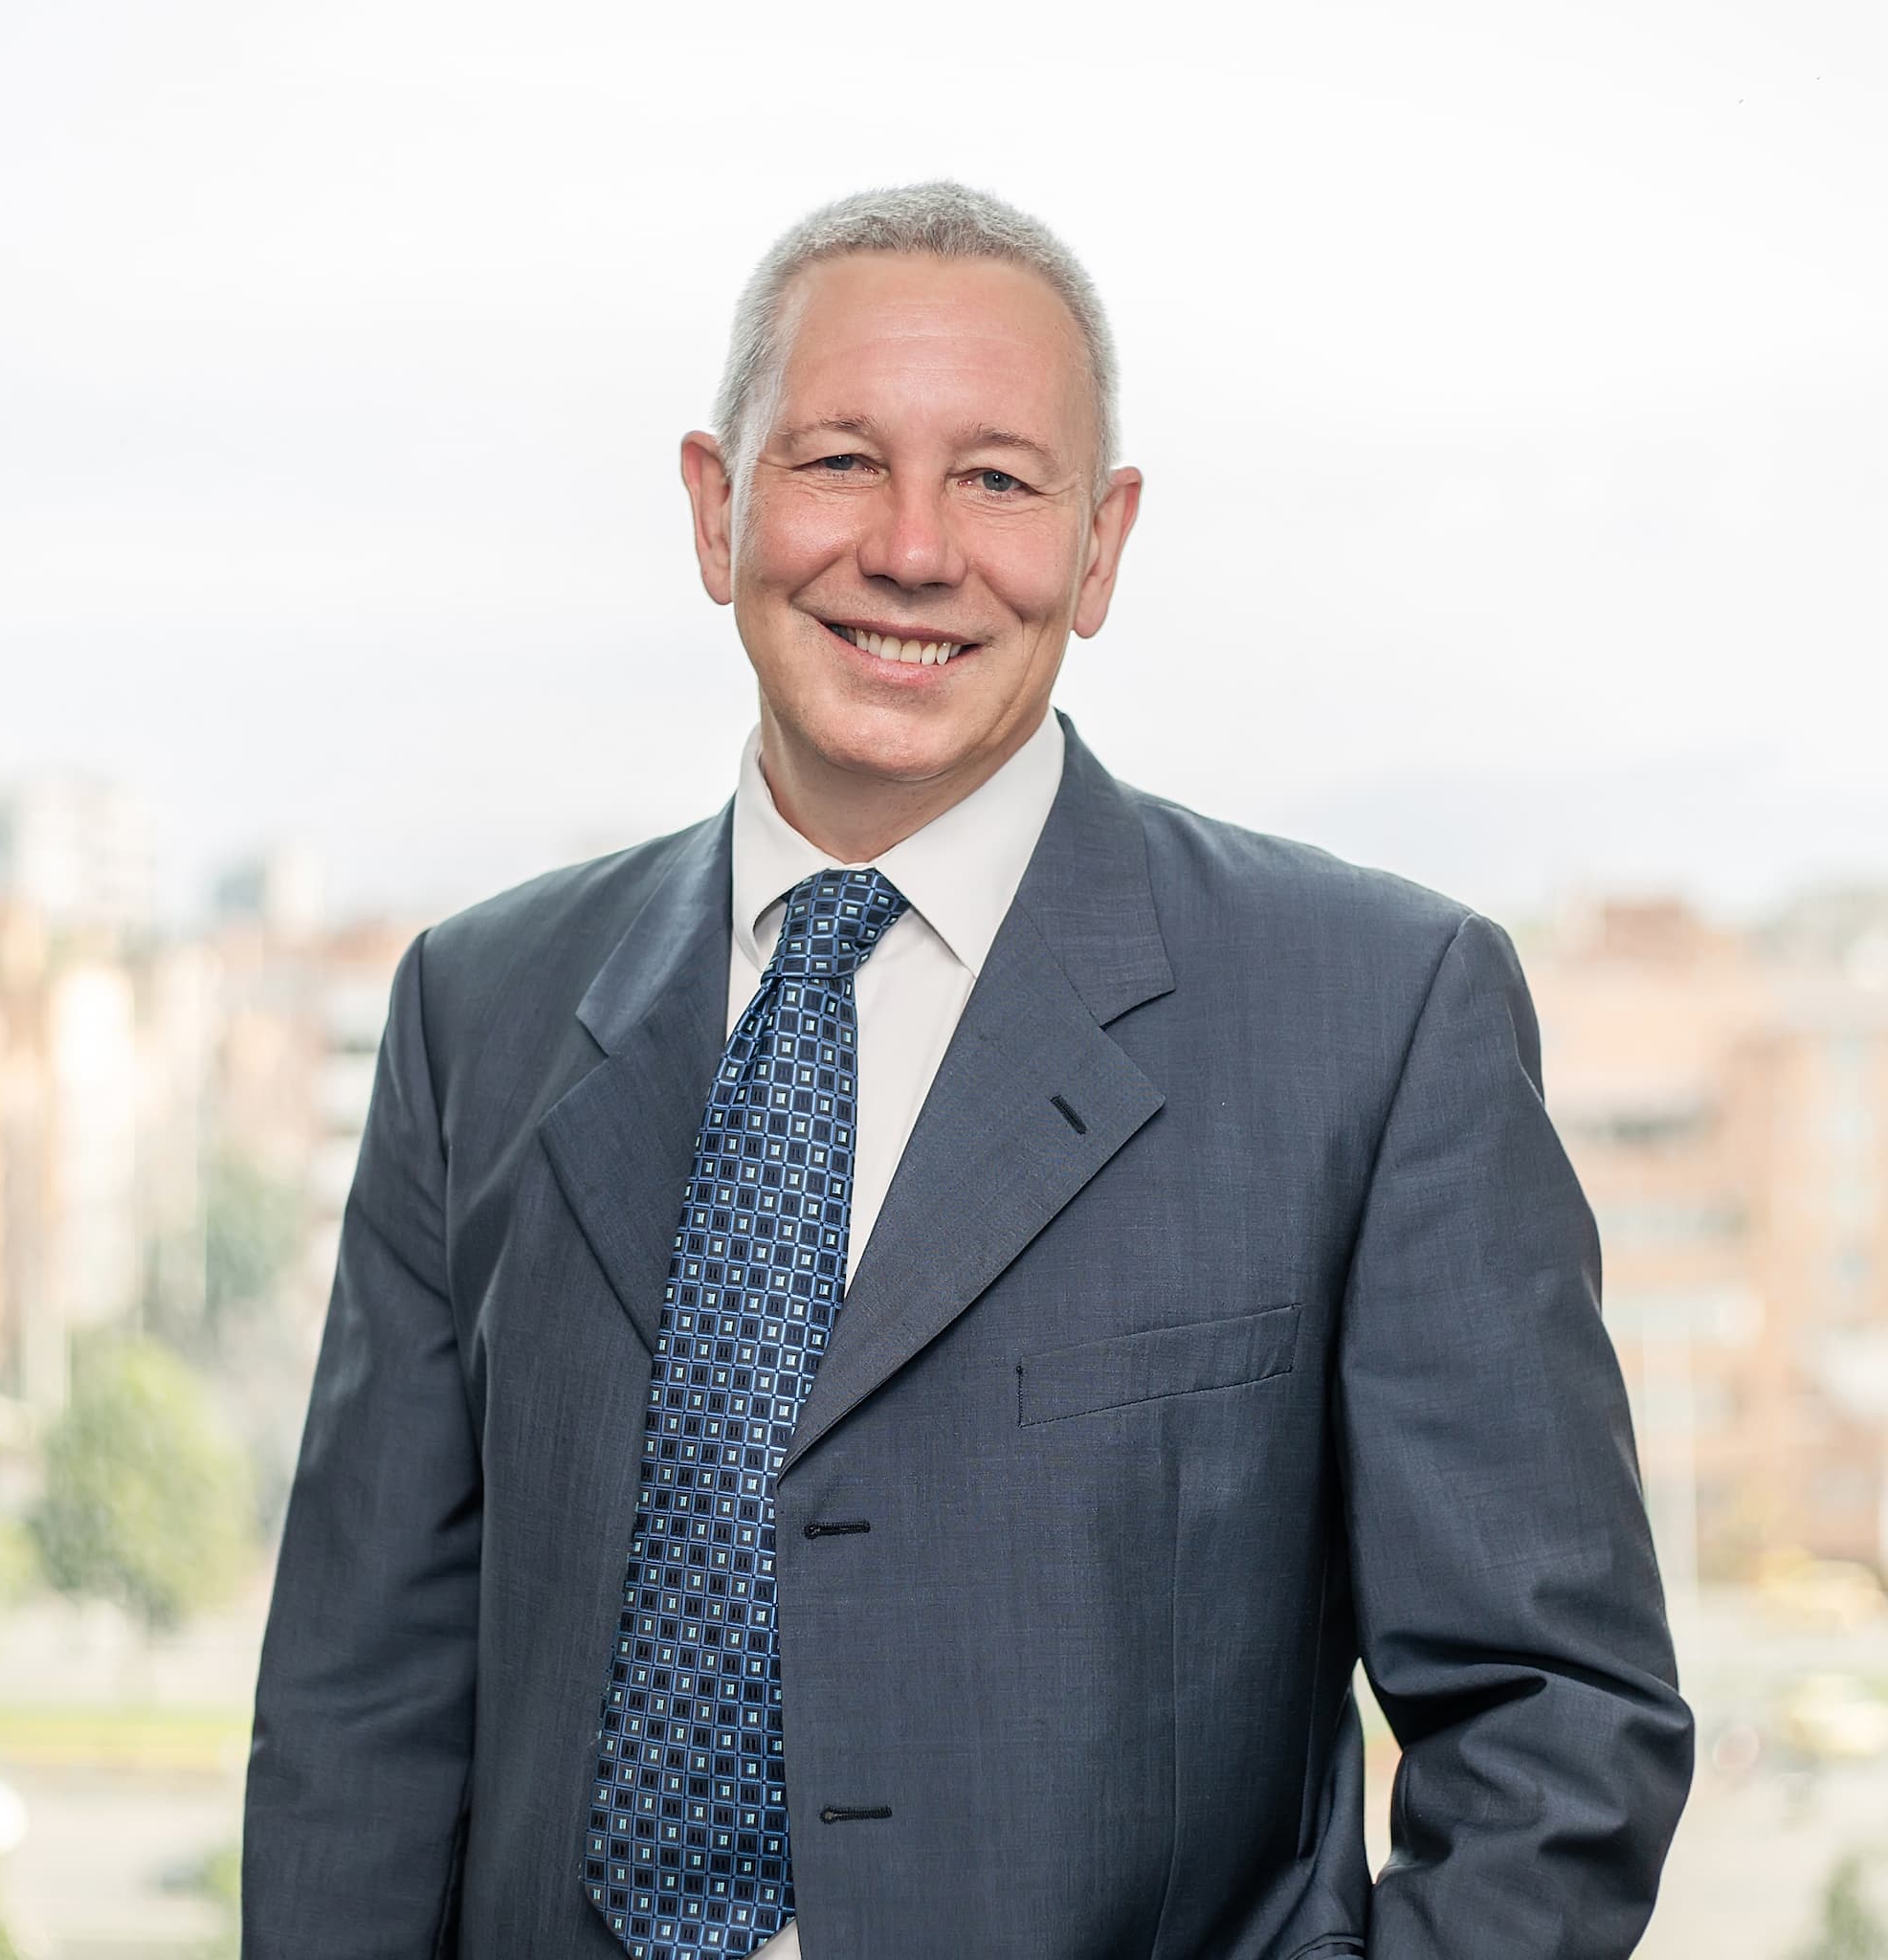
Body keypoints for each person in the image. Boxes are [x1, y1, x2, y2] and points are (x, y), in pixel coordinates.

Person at [242, 181, 1694, 1959]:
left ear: (1101, 548)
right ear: (716, 509)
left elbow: (1557, 1722)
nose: (915, 549)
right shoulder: (481, 1007)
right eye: (842, 461)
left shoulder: (1379, 1013)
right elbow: (359, 1704)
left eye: (1000, 479)